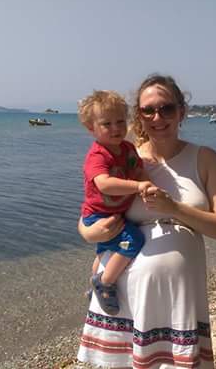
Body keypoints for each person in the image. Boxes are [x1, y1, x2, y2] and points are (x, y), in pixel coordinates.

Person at [76, 74, 216, 368]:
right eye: (148, 110)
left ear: (181, 111)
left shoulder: (205, 159)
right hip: (122, 297)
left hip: (177, 300)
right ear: (138, 115)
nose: (157, 117)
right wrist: (89, 233)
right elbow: (92, 209)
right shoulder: (124, 156)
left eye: (166, 108)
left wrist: (174, 208)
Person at [77, 90, 155, 316]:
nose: (116, 128)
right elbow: (104, 184)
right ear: (91, 128)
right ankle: (105, 282)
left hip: (114, 213)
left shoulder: (127, 149)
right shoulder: (98, 156)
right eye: (107, 124)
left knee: (104, 251)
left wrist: (147, 184)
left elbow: (138, 169)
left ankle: (93, 285)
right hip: (96, 215)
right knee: (134, 240)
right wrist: (137, 187)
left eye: (120, 121)